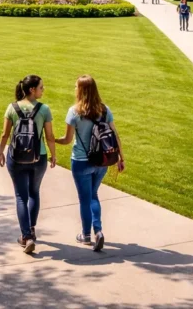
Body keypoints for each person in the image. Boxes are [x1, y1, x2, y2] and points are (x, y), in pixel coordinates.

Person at [55, 75, 124, 252]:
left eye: (76, 86)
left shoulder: (74, 112)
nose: (74, 89)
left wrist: (52, 139)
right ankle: (98, 231)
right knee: (94, 195)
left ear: (81, 90)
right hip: (102, 161)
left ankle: (86, 235)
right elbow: (115, 136)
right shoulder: (104, 110)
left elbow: (67, 139)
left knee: (85, 199)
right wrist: (120, 158)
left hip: (81, 161)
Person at [0, 74, 56, 254]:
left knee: (21, 196)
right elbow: (50, 137)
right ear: (32, 90)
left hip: (16, 158)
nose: (43, 90)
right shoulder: (44, 109)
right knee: (34, 193)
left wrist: (0, 152)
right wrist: (53, 155)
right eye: (41, 87)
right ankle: (31, 229)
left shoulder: (12, 107)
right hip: (39, 157)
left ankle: (26, 237)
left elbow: (5, 135)